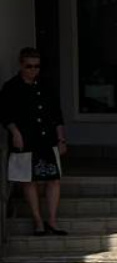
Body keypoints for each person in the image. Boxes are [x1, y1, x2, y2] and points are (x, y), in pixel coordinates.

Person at [2, 48, 67, 235]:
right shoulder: (11, 87)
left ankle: (52, 220)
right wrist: (15, 132)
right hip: (26, 139)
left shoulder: (46, 85)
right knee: (29, 180)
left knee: (53, 179)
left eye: (37, 66)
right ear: (21, 65)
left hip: (47, 137)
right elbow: (5, 114)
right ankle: (38, 221)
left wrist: (61, 139)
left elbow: (56, 114)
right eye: (29, 66)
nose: (33, 70)